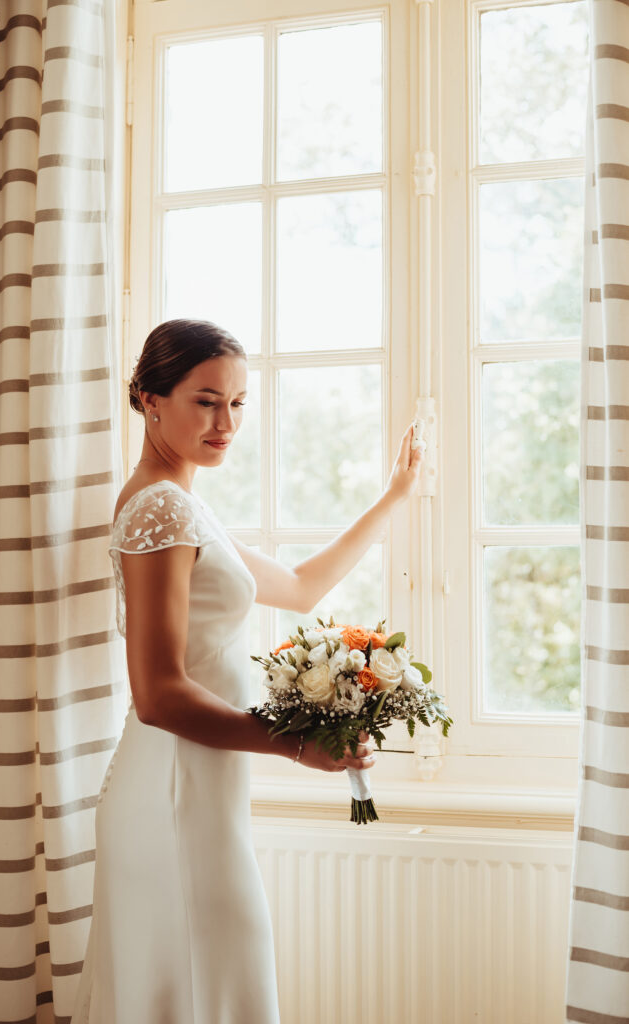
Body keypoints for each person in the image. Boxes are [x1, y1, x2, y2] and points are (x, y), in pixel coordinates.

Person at [69, 318, 424, 1023]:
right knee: (207, 984)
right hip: (171, 790)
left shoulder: (182, 504)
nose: (226, 423)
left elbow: (298, 587)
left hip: (195, 787)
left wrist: (393, 497)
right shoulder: (160, 508)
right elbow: (158, 695)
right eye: (206, 402)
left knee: (212, 985)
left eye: (237, 403)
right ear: (149, 399)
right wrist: (297, 745)